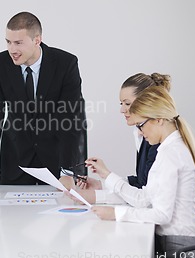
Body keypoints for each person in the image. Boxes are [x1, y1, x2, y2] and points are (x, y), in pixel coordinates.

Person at [87, 86, 195, 258]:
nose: (139, 132)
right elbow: (145, 198)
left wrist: (116, 213)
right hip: (179, 245)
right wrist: (107, 176)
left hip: (185, 252)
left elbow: (161, 215)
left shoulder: (171, 155)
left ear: (159, 119)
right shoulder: (167, 150)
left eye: (141, 125)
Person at [0, 11, 87, 191]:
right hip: (15, 161)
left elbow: (72, 119)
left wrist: (68, 172)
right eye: (8, 42)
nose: (12, 50)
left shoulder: (65, 63)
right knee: (12, 218)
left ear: (37, 40)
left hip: (56, 161)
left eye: (18, 43)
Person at [65, 73, 171, 202]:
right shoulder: (141, 134)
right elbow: (141, 182)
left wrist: (102, 185)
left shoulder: (159, 140)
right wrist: (101, 185)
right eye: (121, 103)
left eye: (127, 104)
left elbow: (146, 198)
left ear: (147, 103)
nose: (122, 109)